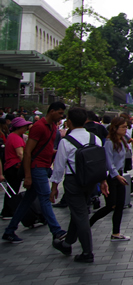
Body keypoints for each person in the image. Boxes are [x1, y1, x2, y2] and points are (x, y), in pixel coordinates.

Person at [50, 107, 110, 263]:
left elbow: (58, 166)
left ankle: (87, 252)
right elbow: (100, 161)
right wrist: (103, 181)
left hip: (73, 182)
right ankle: (67, 243)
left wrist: (54, 187)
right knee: (79, 211)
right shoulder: (94, 138)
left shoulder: (66, 141)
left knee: (81, 214)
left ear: (69, 121)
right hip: (90, 181)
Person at [3, 101, 67, 245]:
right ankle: (56, 230)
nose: (61, 116)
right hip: (37, 167)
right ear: (52, 111)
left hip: (43, 167)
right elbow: (28, 152)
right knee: (44, 198)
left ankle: (9, 230)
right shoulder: (39, 127)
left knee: (27, 201)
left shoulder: (53, 127)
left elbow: (44, 148)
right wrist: (28, 175)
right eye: (60, 113)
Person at [89, 117, 131, 241]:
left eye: (126, 127)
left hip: (120, 175)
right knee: (110, 205)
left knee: (120, 205)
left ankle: (116, 233)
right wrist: (117, 176)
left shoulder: (122, 141)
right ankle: (89, 223)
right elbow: (109, 162)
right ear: (115, 128)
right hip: (112, 177)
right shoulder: (109, 142)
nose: (125, 129)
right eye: (123, 127)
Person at [0, 117, 33, 220]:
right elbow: (20, 153)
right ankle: (8, 211)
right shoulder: (15, 137)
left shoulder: (12, 136)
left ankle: (8, 210)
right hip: (14, 167)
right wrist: (27, 164)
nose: (26, 128)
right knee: (13, 190)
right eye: (24, 126)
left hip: (11, 166)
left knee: (12, 189)